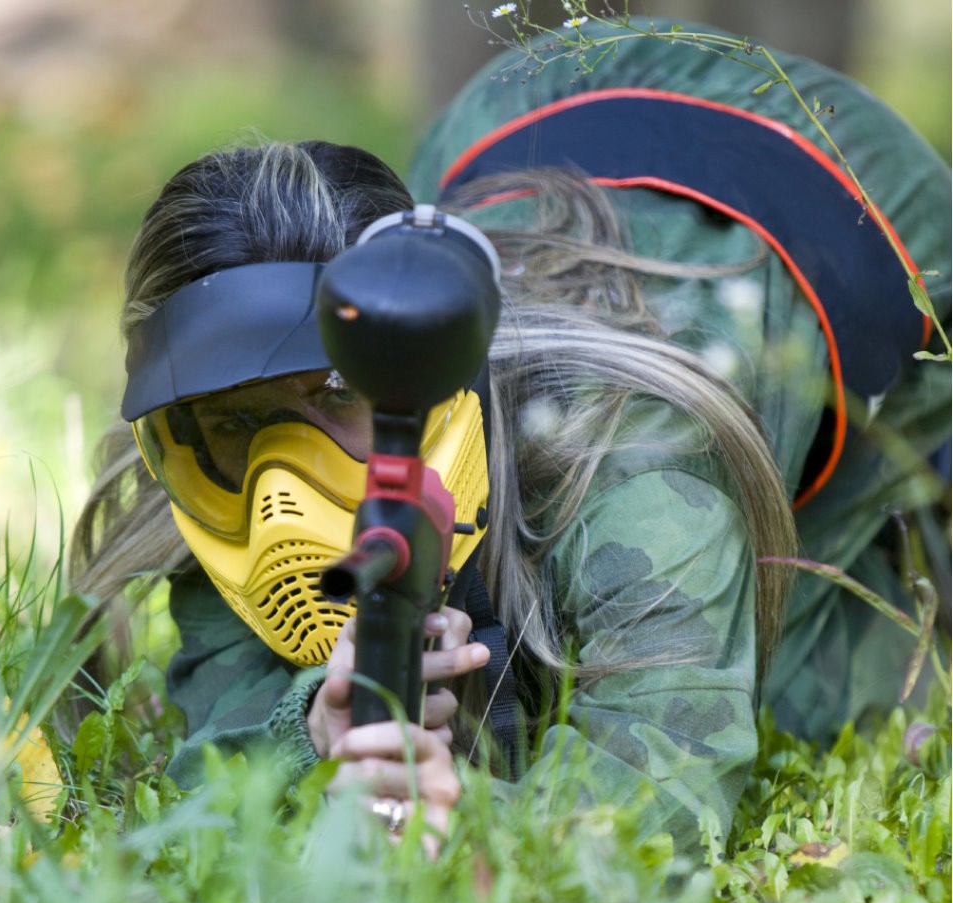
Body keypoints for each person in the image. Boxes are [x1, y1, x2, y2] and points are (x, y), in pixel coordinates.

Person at [71, 18, 951, 856]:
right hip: (505, 135)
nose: (283, 491)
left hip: (867, 231)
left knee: (783, 681)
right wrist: (313, 730)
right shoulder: (209, 470)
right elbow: (215, 749)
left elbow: (660, 802)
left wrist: (466, 820)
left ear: (427, 367)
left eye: (339, 393)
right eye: (240, 423)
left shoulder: (634, 450)